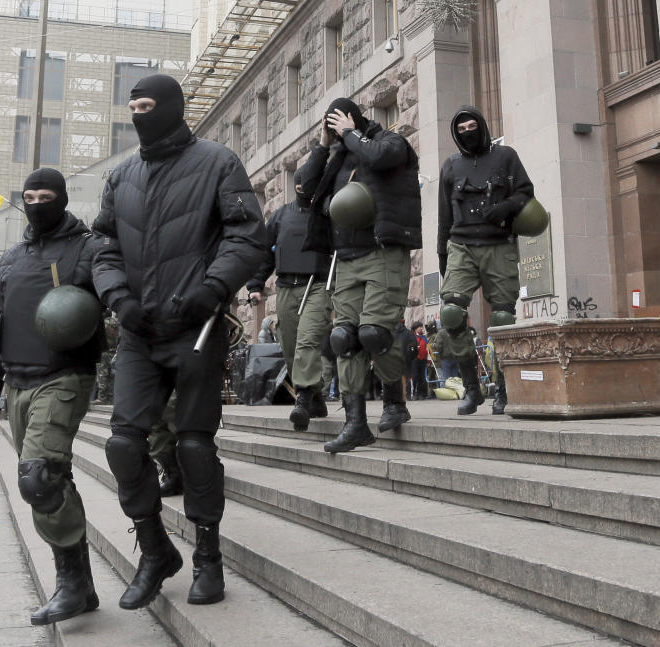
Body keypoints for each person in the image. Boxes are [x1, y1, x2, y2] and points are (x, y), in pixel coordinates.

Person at [91, 74, 265, 610]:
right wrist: (119, 301)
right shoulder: (121, 178)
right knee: (123, 443)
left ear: (171, 107)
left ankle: (207, 559)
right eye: (133, 106)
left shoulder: (217, 161)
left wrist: (213, 289)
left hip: (197, 325)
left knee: (193, 444)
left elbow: (247, 235)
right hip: (140, 332)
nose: (139, 114)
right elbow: (103, 247)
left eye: (148, 105)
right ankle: (153, 550)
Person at [0, 167, 105, 626]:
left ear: (62, 199)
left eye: (45, 195)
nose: (35, 202)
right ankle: (81, 586)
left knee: (38, 478)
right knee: (55, 477)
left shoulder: (88, 249)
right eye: (28, 195)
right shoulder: (11, 259)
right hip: (17, 382)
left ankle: (70, 584)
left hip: (65, 376)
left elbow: (112, 300)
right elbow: (2, 324)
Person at [298, 97, 421, 453]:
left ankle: (395, 402)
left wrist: (351, 134)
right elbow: (305, 188)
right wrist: (323, 144)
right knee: (343, 337)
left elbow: (379, 158)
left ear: (351, 118)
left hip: (383, 251)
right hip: (346, 257)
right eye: (328, 123)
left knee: (373, 332)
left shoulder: (389, 141)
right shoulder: (336, 158)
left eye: (335, 121)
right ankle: (356, 424)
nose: (332, 129)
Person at [437, 105, 534, 415]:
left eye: (471, 126)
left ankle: (504, 390)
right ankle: (471, 388)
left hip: (498, 244)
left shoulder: (506, 157)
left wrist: (505, 208)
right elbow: (443, 217)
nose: (468, 133)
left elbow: (526, 193)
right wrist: (443, 255)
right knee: (451, 313)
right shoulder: (450, 166)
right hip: (461, 244)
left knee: (503, 319)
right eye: (461, 129)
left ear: (482, 125)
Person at [247, 171, 333, 431]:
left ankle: (303, 399)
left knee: (307, 339)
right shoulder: (281, 216)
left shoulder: (327, 214)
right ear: (296, 186)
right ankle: (316, 397)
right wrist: (256, 284)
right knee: (290, 346)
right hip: (286, 286)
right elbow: (266, 253)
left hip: (317, 285)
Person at [410, 322, 429, 400]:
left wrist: (429, 361)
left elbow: (428, 349)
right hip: (414, 360)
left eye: (421, 327)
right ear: (415, 329)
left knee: (422, 377)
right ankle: (413, 393)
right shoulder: (412, 337)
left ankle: (420, 393)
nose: (421, 328)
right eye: (419, 327)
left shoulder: (424, 337)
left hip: (423, 360)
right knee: (415, 377)